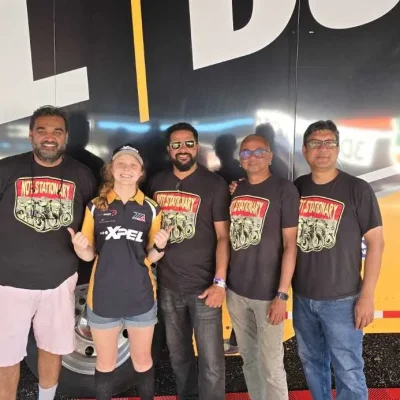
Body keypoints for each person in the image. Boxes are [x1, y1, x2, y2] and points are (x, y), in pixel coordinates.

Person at [0, 105, 97, 400]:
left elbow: (92, 226)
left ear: (66, 136)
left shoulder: (82, 174)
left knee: (52, 349)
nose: (49, 137)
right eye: (42, 130)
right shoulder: (7, 169)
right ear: (31, 135)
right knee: (5, 356)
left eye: (57, 131)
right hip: (9, 282)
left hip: (59, 281)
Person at [69, 145, 171, 400]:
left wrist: (160, 246)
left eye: (133, 165)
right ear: (111, 169)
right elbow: (88, 255)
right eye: (121, 164)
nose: (127, 169)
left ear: (141, 172)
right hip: (103, 295)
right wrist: (80, 247)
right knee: (106, 363)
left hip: (141, 295)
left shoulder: (151, 208)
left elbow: (152, 256)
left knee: (142, 361)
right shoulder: (95, 207)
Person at [293, 120, 384, 399]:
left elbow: (376, 243)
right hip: (303, 298)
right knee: (312, 364)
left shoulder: (358, 188)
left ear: (338, 148)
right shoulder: (297, 187)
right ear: (304, 150)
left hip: (343, 301)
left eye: (329, 143)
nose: (323, 149)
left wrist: (367, 296)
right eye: (315, 143)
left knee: (349, 369)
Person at [148, 122, 230, 400]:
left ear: (196, 146)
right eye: (176, 144)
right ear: (168, 149)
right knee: (179, 359)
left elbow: (223, 237)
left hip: (204, 288)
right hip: (168, 287)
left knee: (211, 363)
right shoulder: (156, 183)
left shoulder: (214, 184)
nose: (183, 149)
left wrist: (220, 282)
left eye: (188, 143)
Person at [226, 134, 299, 400]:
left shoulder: (284, 190)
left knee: (271, 365)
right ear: (240, 159)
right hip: (236, 292)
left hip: (268, 295)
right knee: (250, 359)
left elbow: (291, 245)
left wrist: (281, 294)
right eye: (246, 153)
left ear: (270, 156)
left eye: (259, 152)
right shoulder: (236, 189)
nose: (253, 157)